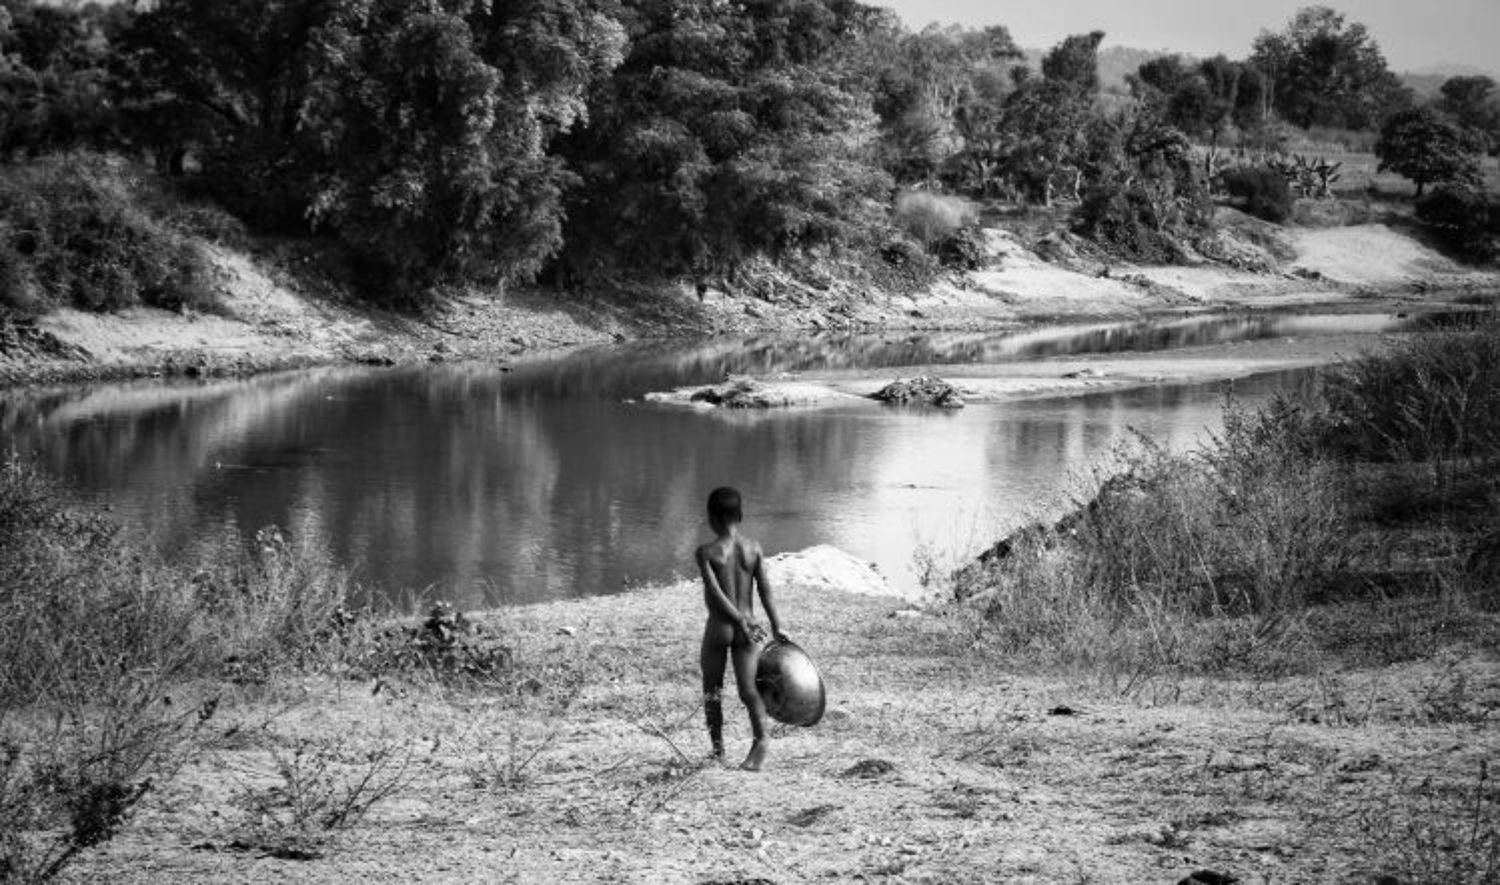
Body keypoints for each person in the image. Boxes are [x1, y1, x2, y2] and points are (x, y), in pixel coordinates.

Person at [696, 486, 787, 771]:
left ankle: (718, 751)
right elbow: (765, 589)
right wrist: (777, 625)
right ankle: (761, 741)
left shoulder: (706, 552)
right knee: (749, 690)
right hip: (749, 627)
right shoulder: (754, 548)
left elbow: (715, 591)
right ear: (740, 515)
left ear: (711, 516)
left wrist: (737, 621)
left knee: (712, 690)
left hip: (721, 626)